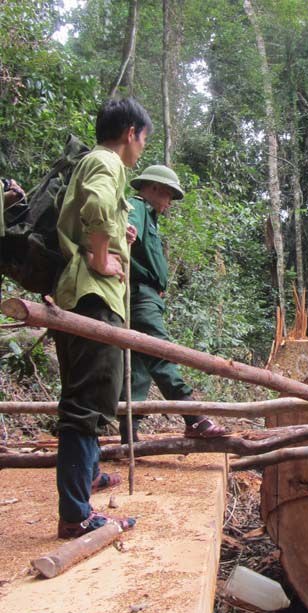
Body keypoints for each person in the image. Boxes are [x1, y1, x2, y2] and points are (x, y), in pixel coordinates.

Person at [54, 97, 152, 539]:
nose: (142, 149)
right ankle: (76, 514)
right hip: (93, 295)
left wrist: (117, 234)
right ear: (131, 132)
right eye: (143, 139)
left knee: (91, 396)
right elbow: (95, 204)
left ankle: (88, 477)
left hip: (80, 294)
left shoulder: (94, 163)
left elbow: (95, 212)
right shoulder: (108, 162)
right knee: (85, 403)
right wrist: (99, 256)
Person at [119, 164, 225, 443]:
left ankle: (128, 434)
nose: (169, 204)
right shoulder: (137, 207)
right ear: (154, 189)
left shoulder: (149, 216)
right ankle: (194, 417)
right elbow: (125, 237)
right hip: (139, 296)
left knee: (140, 367)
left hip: (147, 295)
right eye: (168, 196)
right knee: (161, 352)